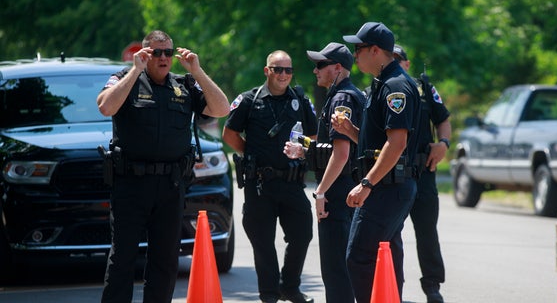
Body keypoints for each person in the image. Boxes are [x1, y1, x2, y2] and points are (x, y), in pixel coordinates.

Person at [96, 30, 230, 303]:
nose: (163, 58)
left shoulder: (184, 85)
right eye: (156, 52)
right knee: (122, 258)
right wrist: (136, 70)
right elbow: (105, 107)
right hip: (131, 184)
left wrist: (198, 71)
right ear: (144, 54)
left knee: (166, 261)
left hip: (170, 186)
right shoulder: (125, 79)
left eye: (168, 52)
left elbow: (221, 109)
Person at [333, 22, 422, 302]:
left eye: (358, 49)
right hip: (386, 184)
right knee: (386, 256)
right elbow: (377, 145)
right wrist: (351, 132)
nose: (354, 54)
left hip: (387, 188)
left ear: (375, 50)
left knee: (359, 257)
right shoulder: (381, 83)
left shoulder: (396, 86)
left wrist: (366, 184)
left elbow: (397, 145)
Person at [222, 50, 318, 303]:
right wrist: (252, 154)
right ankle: (269, 294)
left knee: (302, 234)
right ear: (267, 71)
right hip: (260, 184)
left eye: (288, 70)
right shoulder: (249, 100)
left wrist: (303, 150)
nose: (284, 75)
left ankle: (290, 285)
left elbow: (315, 136)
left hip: (292, 181)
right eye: (278, 69)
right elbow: (229, 134)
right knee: (263, 243)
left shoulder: (299, 99)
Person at [285, 42, 365, 303]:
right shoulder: (341, 94)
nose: (315, 70)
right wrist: (304, 151)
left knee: (336, 271)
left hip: (338, 193)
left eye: (321, 65)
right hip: (343, 189)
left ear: (338, 68)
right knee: (338, 268)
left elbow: (341, 155)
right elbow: (332, 148)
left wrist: (320, 193)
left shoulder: (342, 98)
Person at [394, 44, 451, 303]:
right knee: (389, 231)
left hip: (424, 171)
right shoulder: (377, 90)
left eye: (399, 59)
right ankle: (391, 285)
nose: (395, 63)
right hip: (394, 173)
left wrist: (444, 144)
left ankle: (432, 285)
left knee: (427, 230)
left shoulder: (425, 88)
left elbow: (443, 119)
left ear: (407, 64)